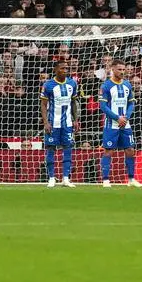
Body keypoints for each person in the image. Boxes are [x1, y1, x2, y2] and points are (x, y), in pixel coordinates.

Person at [98, 58, 140, 188]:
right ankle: (105, 180)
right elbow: (103, 106)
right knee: (108, 151)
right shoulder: (106, 86)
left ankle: (131, 179)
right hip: (112, 124)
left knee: (130, 150)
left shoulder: (127, 84)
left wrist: (126, 117)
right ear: (113, 69)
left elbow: (131, 103)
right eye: (120, 69)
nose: (122, 72)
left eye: (124, 69)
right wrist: (117, 118)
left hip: (125, 124)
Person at [41, 57, 79, 187]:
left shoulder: (72, 84)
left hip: (67, 123)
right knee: (51, 148)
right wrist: (45, 122)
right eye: (62, 68)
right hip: (53, 123)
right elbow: (43, 104)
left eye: (66, 68)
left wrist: (76, 120)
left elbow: (74, 102)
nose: (65, 70)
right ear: (55, 69)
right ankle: (51, 177)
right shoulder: (48, 85)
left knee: (68, 148)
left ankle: (65, 178)